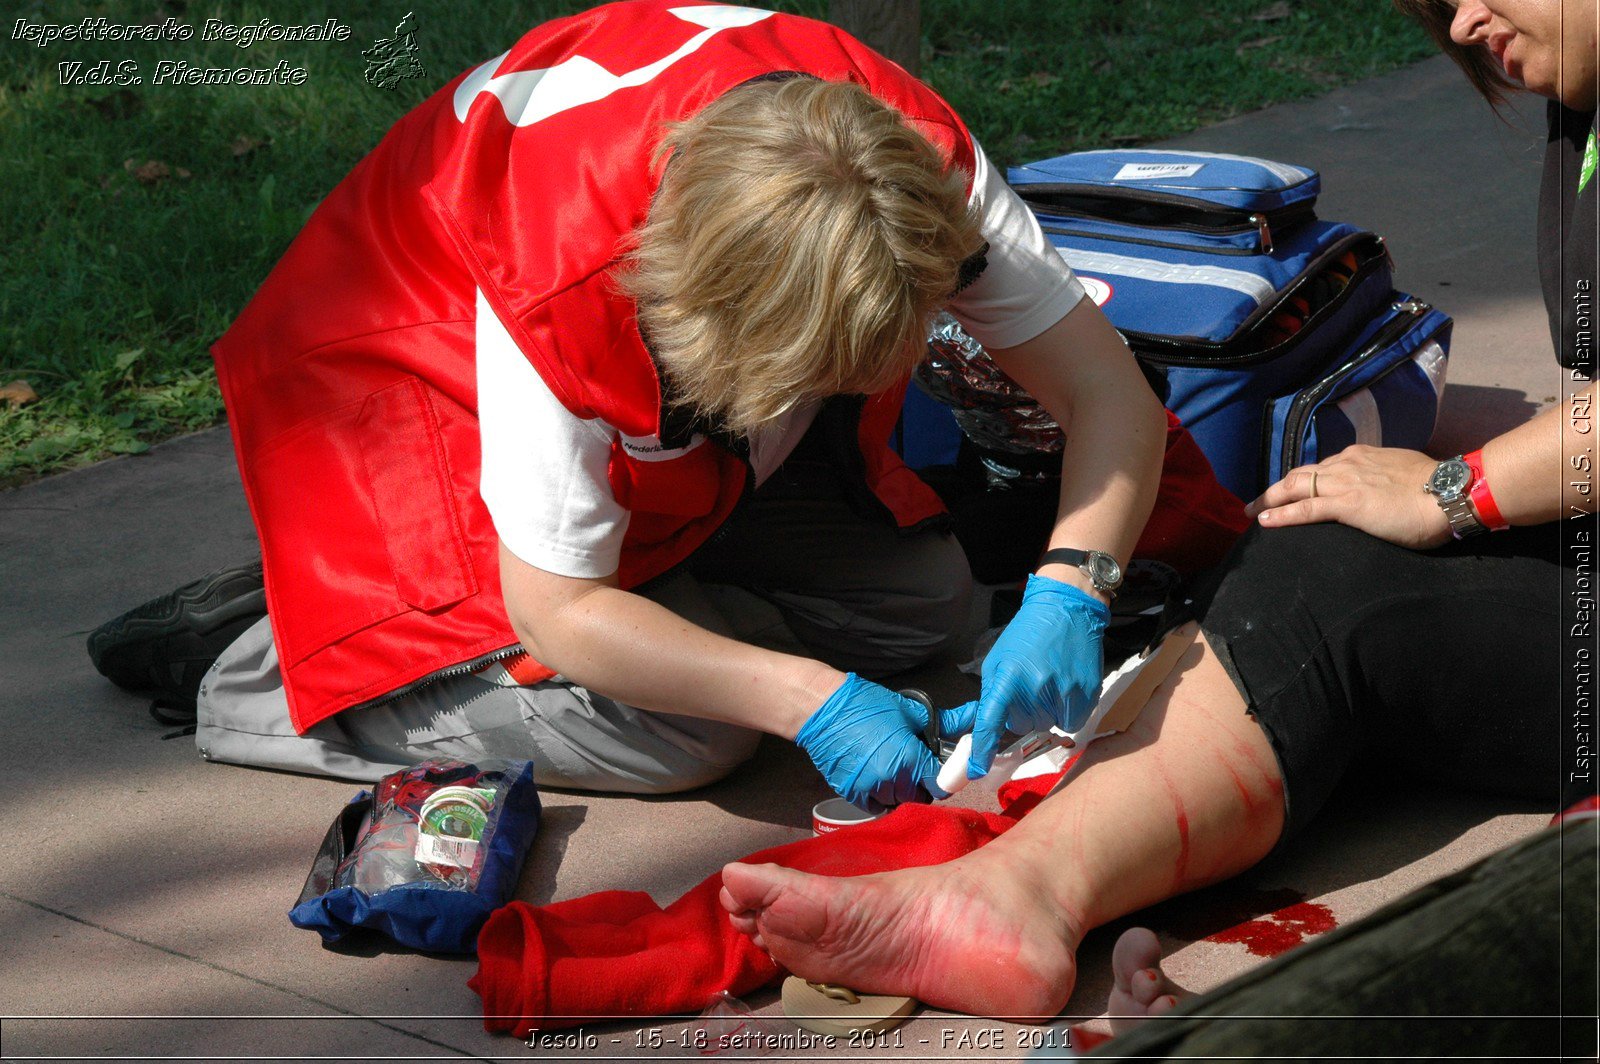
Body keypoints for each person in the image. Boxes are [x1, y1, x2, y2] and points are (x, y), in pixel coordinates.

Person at [88, 1, 1219, 811]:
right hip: (397, 382)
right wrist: (801, 697)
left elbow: (1101, 387)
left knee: (927, 612)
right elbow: (561, 609)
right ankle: (284, 662)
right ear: (706, 311)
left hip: (681, 436)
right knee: (693, 732)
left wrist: (1073, 588)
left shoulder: (903, 170)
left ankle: (627, 604)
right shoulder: (559, 274)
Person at [716, 0, 1597, 1021]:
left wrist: (1455, 491)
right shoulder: (1572, 87)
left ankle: (1014, 895)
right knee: (1306, 548)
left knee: (1338, 595)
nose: (1464, 21)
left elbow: (1109, 399)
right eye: (1439, 5)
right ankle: (1032, 880)